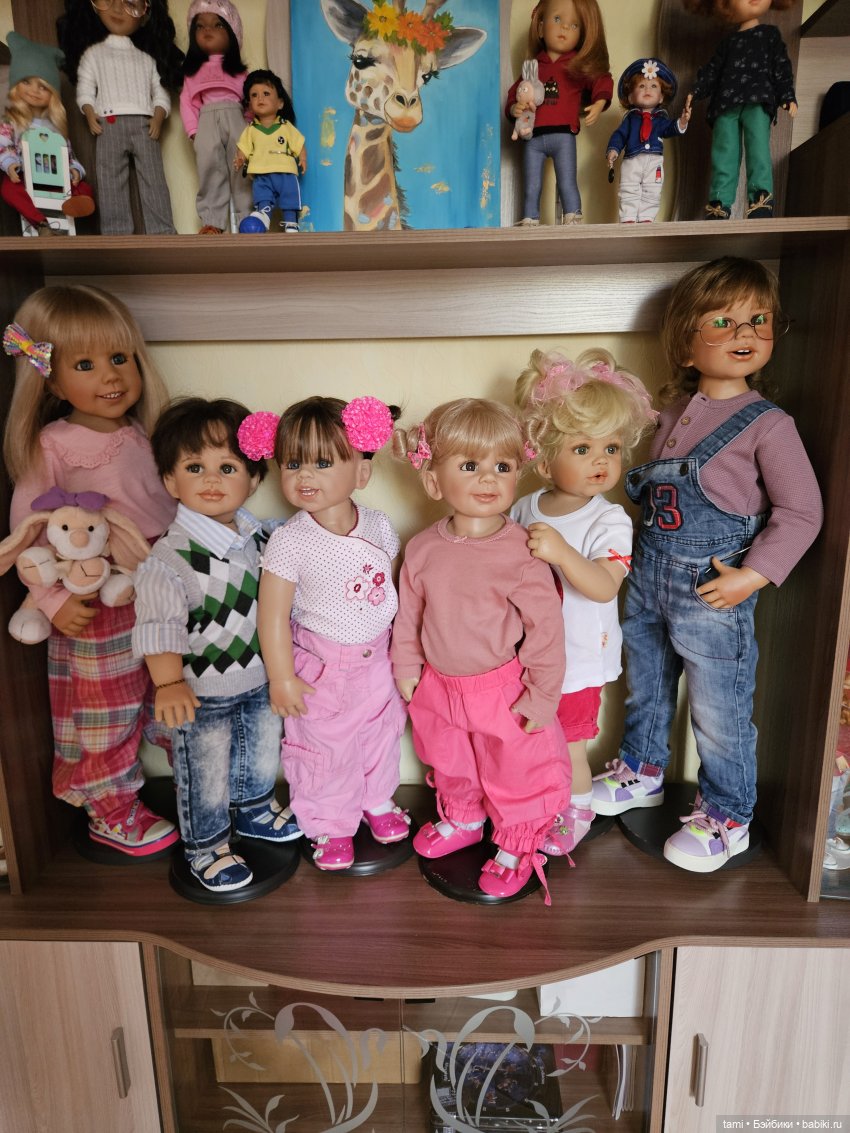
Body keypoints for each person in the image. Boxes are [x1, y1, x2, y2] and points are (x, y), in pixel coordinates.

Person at [593, 256, 823, 872]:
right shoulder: (669, 413)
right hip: (647, 577)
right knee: (645, 682)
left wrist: (753, 575)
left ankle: (727, 814)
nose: (745, 333)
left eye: (759, 320)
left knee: (719, 707)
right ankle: (642, 769)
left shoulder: (769, 425)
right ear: (685, 343)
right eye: (723, 321)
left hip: (711, 588)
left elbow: (802, 512)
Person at [2, 284, 178, 856]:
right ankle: (109, 807)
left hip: (156, 587)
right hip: (95, 598)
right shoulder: (53, 444)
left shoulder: (144, 433)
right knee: (107, 709)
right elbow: (30, 532)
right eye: (85, 365)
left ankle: (195, 779)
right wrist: (53, 602)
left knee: (169, 690)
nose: (111, 376)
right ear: (50, 382)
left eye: (120, 357)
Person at [391, 398, 569, 903]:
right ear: (433, 481)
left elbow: (546, 630)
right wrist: (407, 667)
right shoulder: (422, 548)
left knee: (515, 769)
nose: (489, 477)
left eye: (503, 466)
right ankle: (465, 818)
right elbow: (410, 614)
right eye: (470, 465)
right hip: (438, 684)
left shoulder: (522, 553)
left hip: (501, 689)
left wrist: (542, 696)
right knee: (448, 759)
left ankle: (516, 845)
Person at [132, 398, 300, 894]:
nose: (211, 479)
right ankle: (206, 846)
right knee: (203, 771)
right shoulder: (170, 559)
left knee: (261, 753)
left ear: (254, 478)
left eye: (227, 467)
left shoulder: (261, 539)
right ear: (170, 481)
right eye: (194, 467)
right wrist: (168, 683)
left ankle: (254, 810)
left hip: (261, 680)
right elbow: (160, 625)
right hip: (201, 691)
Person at [255, 396, 409, 871]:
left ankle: (377, 800)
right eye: (293, 463)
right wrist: (282, 677)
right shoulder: (290, 541)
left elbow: (390, 590)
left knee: (380, 733)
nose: (305, 475)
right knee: (324, 748)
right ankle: (329, 824)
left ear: (361, 472)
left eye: (322, 463)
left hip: (378, 657)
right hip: (322, 667)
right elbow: (271, 615)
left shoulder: (379, 525)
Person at [512, 348, 657, 855]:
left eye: (612, 448)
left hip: (577, 660)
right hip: (530, 657)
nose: (602, 461)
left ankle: (576, 811)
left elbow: (603, 585)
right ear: (543, 456)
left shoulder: (608, 519)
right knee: (531, 737)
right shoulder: (524, 507)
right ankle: (537, 804)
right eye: (583, 448)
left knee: (569, 744)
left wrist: (560, 551)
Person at [56, 0, 184, 235]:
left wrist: (158, 116)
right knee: (110, 179)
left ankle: (162, 230)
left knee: (153, 178)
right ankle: (116, 231)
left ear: (145, 13)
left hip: (145, 124)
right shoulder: (94, 54)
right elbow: (85, 89)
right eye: (108, 1)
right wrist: (89, 112)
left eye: (130, 3)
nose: (117, 9)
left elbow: (160, 92)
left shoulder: (146, 59)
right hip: (108, 124)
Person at [682, 0, 797, 219]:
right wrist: (695, 91)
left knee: (758, 149)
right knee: (724, 153)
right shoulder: (727, 43)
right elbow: (711, 72)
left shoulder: (770, 35)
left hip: (758, 100)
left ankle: (761, 200)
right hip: (725, 104)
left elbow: (781, 66)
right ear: (724, 5)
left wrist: (787, 96)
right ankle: (718, 204)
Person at [505, 0, 612, 226]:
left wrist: (600, 101)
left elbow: (602, 78)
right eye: (557, 19)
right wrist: (514, 108)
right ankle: (530, 217)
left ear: (581, 35)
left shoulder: (576, 65)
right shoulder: (533, 67)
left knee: (567, 181)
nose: (565, 27)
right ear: (540, 27)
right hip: (533, 136)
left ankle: (572, 214)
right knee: (532, 184)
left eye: (574, 25)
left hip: (563, 135)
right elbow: (515, 92)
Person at [1, 32, 95, 235]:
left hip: (57, 179)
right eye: (27, 82)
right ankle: (41, 223)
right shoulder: (11, 121)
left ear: (52, 93)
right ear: (16, 85)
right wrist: (9, 163)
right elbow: (3, 144)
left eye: (43, 86)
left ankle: (75, 203)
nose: (34, 90)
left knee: (86, 188)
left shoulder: (55, 127)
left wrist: (75, 170)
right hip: (26, 176)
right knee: (8, 188)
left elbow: (69, 155)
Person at [179, 0, 253, 234]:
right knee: (209, 169)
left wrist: (249, 126)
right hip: (206, 121)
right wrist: (194, 131)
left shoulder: (240, 72)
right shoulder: (193, 73)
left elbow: (249, 100)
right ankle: (213, 220)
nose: (207, 30)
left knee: (242, 169)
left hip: (236, 118)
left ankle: (247, 219)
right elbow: (187, 102)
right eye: (200, 26)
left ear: (232, 32)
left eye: (217, 25)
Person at [605, 58, 691, 224]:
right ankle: (628, 217)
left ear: (661, 97)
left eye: (653, 86)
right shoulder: (630, 119)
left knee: (652, 188)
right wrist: (613, 149)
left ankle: (646, 218)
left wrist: (682, 122)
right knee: (628, 188)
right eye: (641, 86)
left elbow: (670, 128)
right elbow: (620, 135)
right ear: (631, 97)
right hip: (632, 159)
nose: (647, 89)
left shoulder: (660, 119)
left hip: (654, 160)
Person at [234, 69, 306, 234]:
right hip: (261, 174)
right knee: (262, 195)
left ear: (280, 103)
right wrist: (240, 159)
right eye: (254, 95)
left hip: (285, 172)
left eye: (266, 93)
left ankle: (291, 223)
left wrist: (302, 158)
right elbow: (243, 147)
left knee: (289, 197)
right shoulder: (251, 130)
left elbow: (299, 143)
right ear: (249, 105)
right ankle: (264, 214)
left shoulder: (285, 127)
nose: (260, 98)